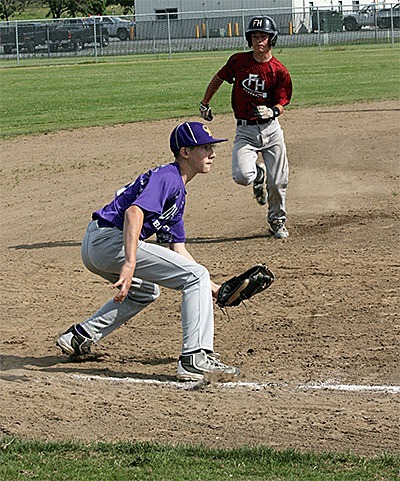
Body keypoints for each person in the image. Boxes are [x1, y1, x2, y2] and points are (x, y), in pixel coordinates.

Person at [56, 121, 240, 382]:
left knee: (147, 290)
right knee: (195, 276)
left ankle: (80, 336)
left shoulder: (177, 194)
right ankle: (195, 359)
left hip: (96, 245)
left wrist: (216, 289)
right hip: (110, 241)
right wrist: (130, 263)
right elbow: (134, 212)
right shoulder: (169, 177)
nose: (212, 153)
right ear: (185, 152)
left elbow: (178, 250)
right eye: (205, 147)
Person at [199, 16, 292, 239]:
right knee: (242, 176)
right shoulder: (239, 61)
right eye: (254, 36)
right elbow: (219, 78)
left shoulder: (279, 70)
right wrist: (205, 102)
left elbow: (283, 101)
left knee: (278, 181)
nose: (258, 40)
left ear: (272, 39)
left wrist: (273, 111)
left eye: (263, 36)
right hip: (245, 131)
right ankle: (258, 172)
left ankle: (277, 220)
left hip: (271, 130)